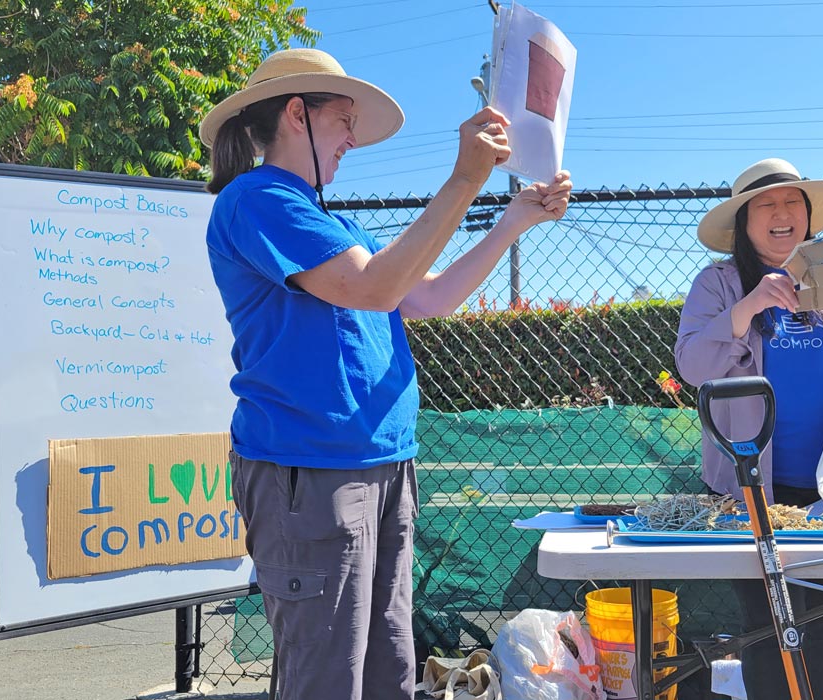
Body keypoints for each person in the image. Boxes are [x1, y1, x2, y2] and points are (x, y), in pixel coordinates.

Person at [199, 49, 572, 700]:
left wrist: (514, 219)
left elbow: (427, 296)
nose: (352, 139)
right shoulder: (256, 199)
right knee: (326, 682)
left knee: (387, 672)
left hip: (384, 464)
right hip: (312, 469)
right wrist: (465, 178)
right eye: (344, 120)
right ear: (296, 114)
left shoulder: (333, 221)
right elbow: (374, 287)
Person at [674, 158, 823, 700]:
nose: (781, 214)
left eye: (792, 203)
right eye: (766, 204)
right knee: (769, 630)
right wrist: (750, 304)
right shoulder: (718, 283)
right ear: (743, 222)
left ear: (807, 217)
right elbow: (693, 365)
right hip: (752, 490)